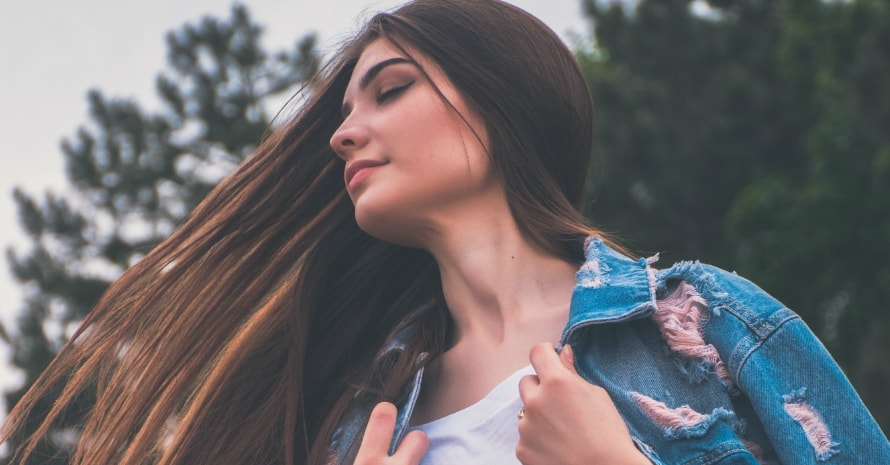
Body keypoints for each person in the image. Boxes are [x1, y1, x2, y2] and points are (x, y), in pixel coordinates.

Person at [3, 0, 888, 464]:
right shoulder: (359, 420)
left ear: (500, 108)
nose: (344, 133)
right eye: (346, 112)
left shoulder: (700, 322)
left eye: (390, 91)